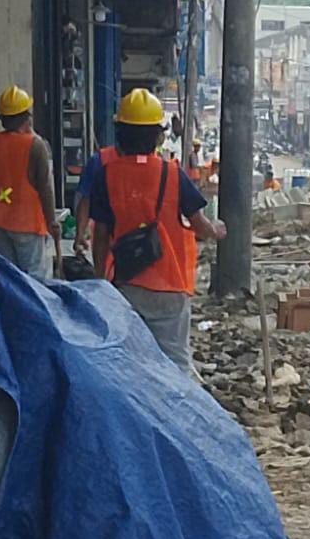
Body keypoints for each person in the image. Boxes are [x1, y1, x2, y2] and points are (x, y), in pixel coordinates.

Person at [89, 89, 226, 372]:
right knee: (175, 362)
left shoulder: (108, 174)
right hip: (170, 282)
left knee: (129, 361)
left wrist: (100, 279)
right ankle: (178, 414)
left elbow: (100, 234)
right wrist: (216, 231)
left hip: (126, 282)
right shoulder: (172, 173)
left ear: (121, 134)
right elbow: (199, 223)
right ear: (158, 136)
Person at [0, 85, 60, 279]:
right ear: (27, 116)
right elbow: (45, 188)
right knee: (33, 279)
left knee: (7, 277)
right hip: (28, 223)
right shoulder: (36, 145)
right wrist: (52, 221)